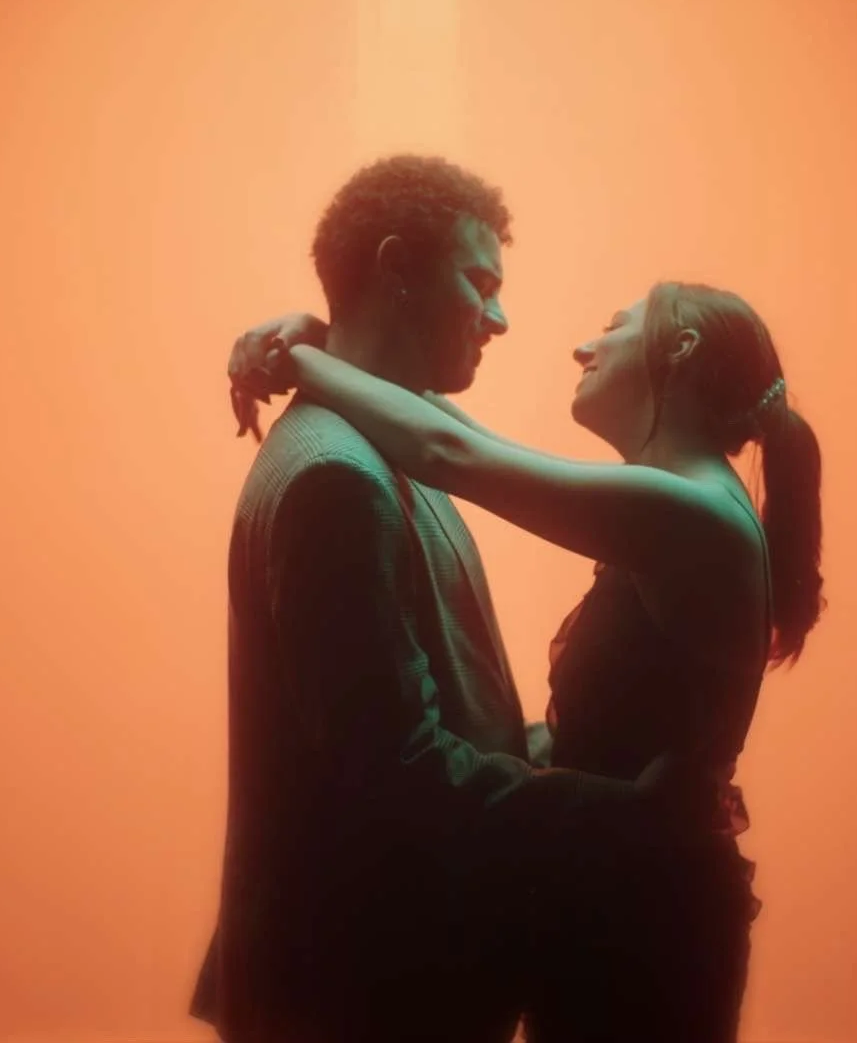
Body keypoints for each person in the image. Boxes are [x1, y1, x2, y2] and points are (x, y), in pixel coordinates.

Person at [228, 279, 826, 1042]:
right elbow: (448, 429)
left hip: (651, 939)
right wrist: (321, 339)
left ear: (680, 350)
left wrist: (296, 358)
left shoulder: (694, 513)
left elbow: (448, 450)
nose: (584, 346)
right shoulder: (684, 501)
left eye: (613, 325)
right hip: (624, 908)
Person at [195, 154, 679, 1043]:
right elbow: (401, 773)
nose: (499, 318)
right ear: (397, 269)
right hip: (359, 1000)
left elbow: (432, 734)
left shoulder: (381, 441)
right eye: (480, 283)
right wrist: (636, 816)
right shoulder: (340, 478)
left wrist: (587, 759)